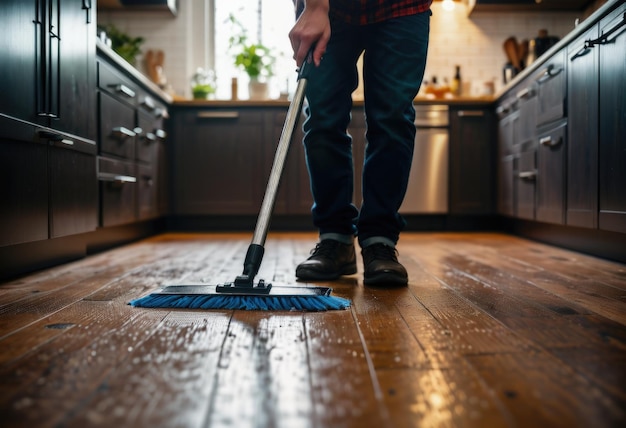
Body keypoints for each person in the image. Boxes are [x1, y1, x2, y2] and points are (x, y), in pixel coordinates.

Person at [289, 0, 432, 286]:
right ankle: (336, 239)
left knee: (392, 119)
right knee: (323, 120)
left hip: (402, 8)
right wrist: (316, 6)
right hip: (331, 8)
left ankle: (379, 239)